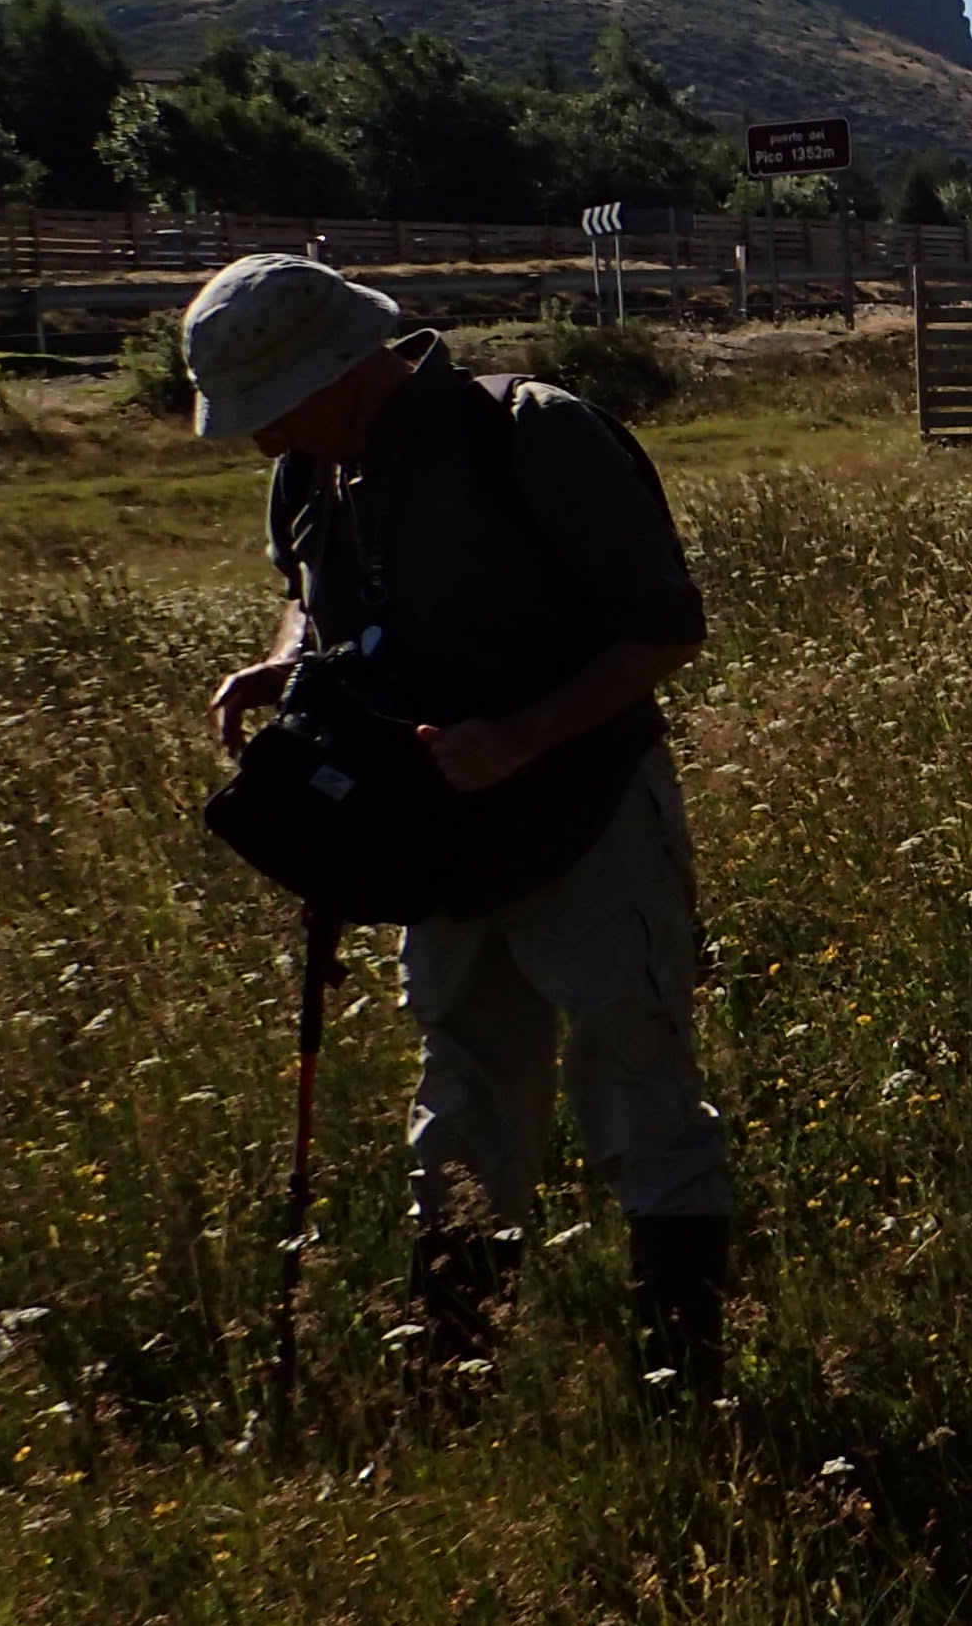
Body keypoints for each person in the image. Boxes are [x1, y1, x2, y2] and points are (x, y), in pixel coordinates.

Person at [184, 254, 737, 1400]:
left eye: (272, 411)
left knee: (640, 1084)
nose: (256, 443)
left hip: (584, 817)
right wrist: (285, 664)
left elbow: (663, 629)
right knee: (462, 1100)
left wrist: (526, 733)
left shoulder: (532, 435)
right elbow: (315, 591)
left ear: (343, 367)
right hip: (428, 846)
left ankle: (688, 1389)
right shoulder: (307, 474)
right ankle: (452, 1381)